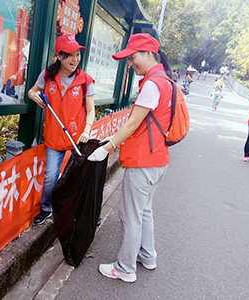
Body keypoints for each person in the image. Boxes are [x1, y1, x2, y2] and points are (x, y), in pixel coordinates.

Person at [88, 33, 173, 283]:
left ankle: (125, 268)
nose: (131, 63)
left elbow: (133, 123)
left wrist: (107, 147)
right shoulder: (165, 80)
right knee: (144, 211)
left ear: (148, 53)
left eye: (133, 57)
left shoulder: (152, 83)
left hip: (143, 161)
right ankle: (147, 255)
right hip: (158, 160)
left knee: (130, 215)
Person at [28, 34, 95, 224]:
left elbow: (91, 110)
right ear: (59, 56)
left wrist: (87, 130)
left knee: (74, 177)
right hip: (53, 135)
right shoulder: (47, 76)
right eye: (70, 55)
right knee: (50, 177)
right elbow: (32, 91)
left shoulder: (85, 80)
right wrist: (34, 96)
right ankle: (46, 208)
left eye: (77, 55)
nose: (75, 59)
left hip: (77, 138)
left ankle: (75, 210)